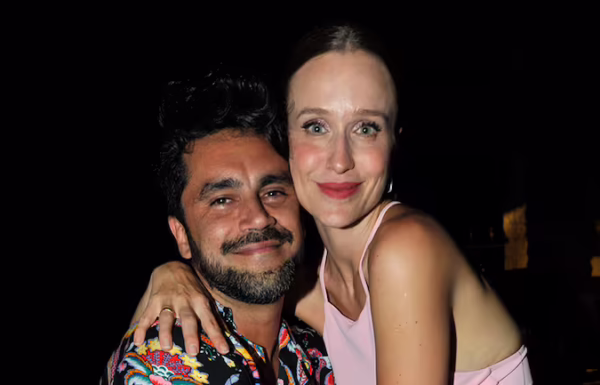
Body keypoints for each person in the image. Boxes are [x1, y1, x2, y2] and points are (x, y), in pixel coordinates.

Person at [133, 24, 533, 384]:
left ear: (393, 142)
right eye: (316, 126)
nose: (340, 160)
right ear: (288, 142)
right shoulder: (314, 286)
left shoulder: (405, 249)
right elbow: (232, 288)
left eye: (366, 128)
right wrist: (169, 274)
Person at [102, 69, 334, 384]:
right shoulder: (166, 362)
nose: (258, 217)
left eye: (274, 192)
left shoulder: (316, 351)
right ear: (181, 235)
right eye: (222, 200)